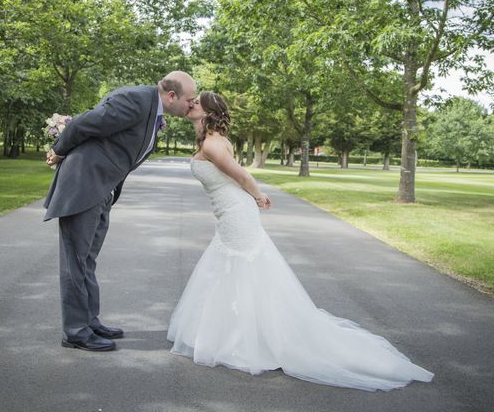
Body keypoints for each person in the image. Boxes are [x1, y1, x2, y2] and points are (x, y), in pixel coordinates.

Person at [167, 91, 434, 391]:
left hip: (236, 213)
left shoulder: (214, 144)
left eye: (196, 103)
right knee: (230, 269)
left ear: (209, 112)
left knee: (242, 269)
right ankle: (232, 333)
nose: (190, 105)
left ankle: (251, 339)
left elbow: (242, 176)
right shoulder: (208, 140)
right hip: (228, 212)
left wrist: (258, 195)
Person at [45, 71, 197, 352]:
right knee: (75, 261)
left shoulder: (152, 108)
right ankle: (76, 331)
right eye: (190, 99)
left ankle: (90, 321)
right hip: (84, 185)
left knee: (88, 258)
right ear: (172, 96)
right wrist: (59, 150)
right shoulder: (136, 100)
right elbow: (84, 123)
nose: (192, 104)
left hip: (102, 189)